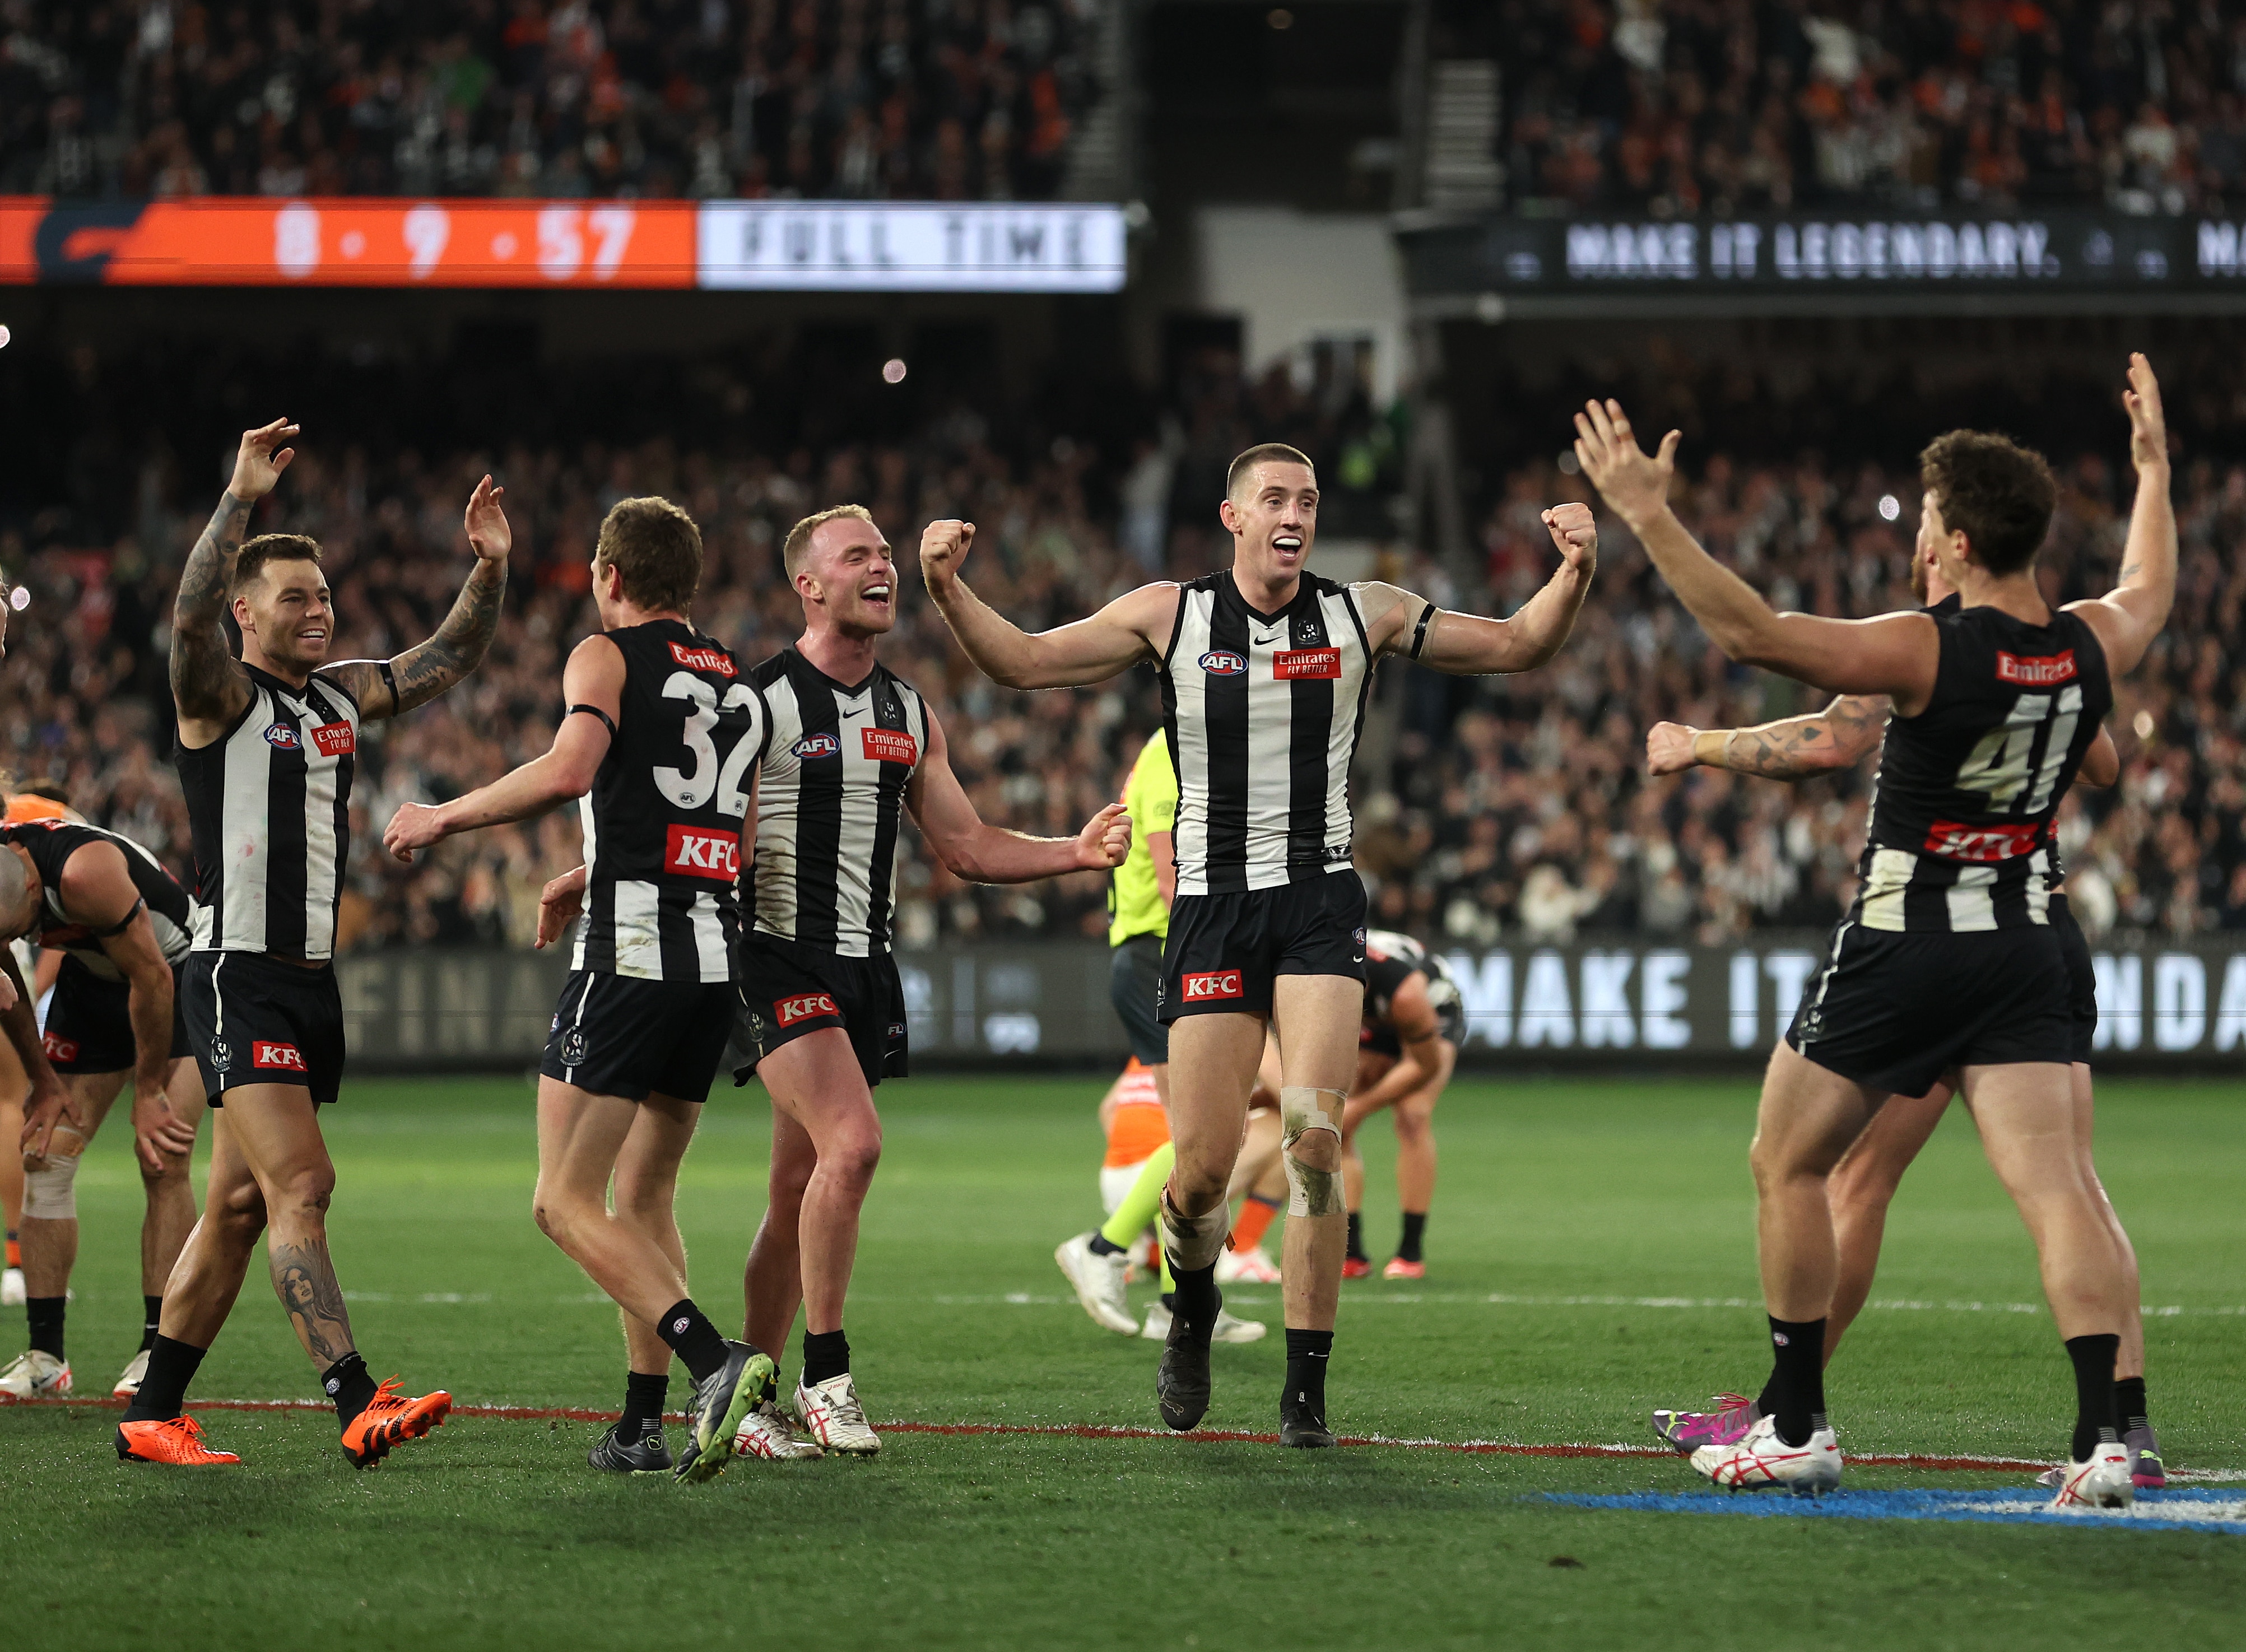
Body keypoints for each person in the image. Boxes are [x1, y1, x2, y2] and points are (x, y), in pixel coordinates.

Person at [1573, 356, 2174, 1508]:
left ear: (1950, 539)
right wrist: (2154, 470)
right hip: (2027, 938)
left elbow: (1751, 631)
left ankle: (1792, 1421)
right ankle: (2107, 1435)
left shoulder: (1923, 647)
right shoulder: (2092, 644)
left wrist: (1646, 513)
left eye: (1931, 516)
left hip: (1908, 941)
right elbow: (2150, 586)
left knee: (1788, 1161)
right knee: (2060, 1189)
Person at [922, 443, 1599, 1446]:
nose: (1294, 513)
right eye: (1273, 498)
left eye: (1308, 500)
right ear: (1232, 517)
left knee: (1313, 1141)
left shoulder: (1362, 610)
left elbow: (1513, 644)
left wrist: (1573, 570)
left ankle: (1304, 1391)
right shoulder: (1168, 613)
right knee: (1198, 1167)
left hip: (1318, 902)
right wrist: (945, 585)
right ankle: (1188, 1312)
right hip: (1209, 908)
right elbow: (1022, 661)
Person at [117, 418, 508, 1469]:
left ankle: (152, 1407)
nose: (318, 608)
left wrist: (490, 568)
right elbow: (185, 613)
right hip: (233, 971)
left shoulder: (339, 696)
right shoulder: (219, 697)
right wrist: (238, 497)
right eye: (295, 596)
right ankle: (352, 1395)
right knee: (303, 1185)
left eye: (324, 595)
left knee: (241, 1205)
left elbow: (448, 657)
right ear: (246, 614)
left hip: (306, 982)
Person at [386, 495, 799, 1483]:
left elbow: (571, 768)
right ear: (686, 581)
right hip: (710, 964)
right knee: (645, 1192)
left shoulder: (603, 655)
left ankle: (714, 1359)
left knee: (562, 1200)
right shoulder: (738, 684)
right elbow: (731, 839)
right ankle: (639, 1427)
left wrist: (442, 817)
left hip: (628, 960)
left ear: (608, 576)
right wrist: (596, 870)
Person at [734, 503, 1132, 1454]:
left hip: (862, 966)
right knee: (855, 1146)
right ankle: (825, 1374)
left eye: (884, 553)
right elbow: (707, 834)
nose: (882, 567)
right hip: (774, 955)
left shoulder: (907, 710)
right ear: (808, 584)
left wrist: (1070, 852)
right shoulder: (755, 705)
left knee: (797, 1188)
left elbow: (965, 844)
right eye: (856, 556)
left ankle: (741, 1392)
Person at [0, 813, 203, 1401]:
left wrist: (148, 1094)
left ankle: (155, 1351)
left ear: (35, 892)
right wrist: (42, 1078)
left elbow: (154, 980)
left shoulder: (85, 873)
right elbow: (7, 980)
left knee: (161, 1156)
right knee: (46, 1151)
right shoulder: (6, 876)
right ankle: (45, 1358)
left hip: (180, 973)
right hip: (93, 983)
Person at [1338, 929, 1463, 1281]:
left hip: (1427, 1007)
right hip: (1370, 1011)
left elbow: (1423, 1066)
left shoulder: (1403, 986)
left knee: (1413, 1115)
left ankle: (1410, 1250)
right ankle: (1352, 1251)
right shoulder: (1303, 970)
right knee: (1336, 1121)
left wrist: (1361, 1107)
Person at [0, 778, 78, 1310]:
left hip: (10, 953)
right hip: (12, 957)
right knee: (9, 1099)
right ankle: (15, 1258)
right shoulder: (38, 815)